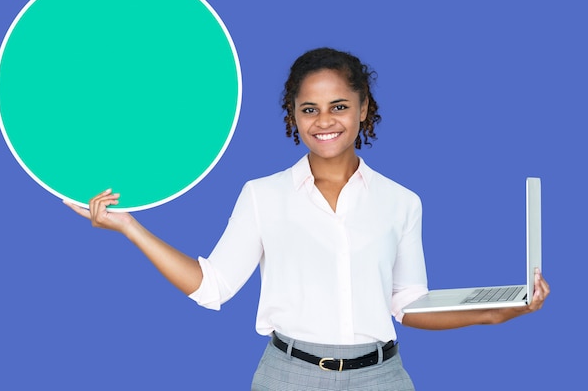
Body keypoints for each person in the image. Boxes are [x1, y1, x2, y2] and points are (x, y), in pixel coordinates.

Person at [65, 47, 550, 390]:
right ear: (292, 116)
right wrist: (129, 227)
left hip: (381, 379)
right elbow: (211, 286)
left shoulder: (402, 201)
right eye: (309, 109)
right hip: (288, 378)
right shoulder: (262, 195)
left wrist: (497, 310)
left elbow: (408, 305)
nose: (325, 121)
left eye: (339, 106)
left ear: (364, 109)